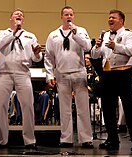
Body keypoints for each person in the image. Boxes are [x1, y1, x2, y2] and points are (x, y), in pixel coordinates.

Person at [91, 9, 132, 151]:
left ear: (121, 21)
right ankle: (112, 140)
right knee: (107, 109)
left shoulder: (129, 34)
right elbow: (95, 55)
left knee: (129, 108)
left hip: (123, 73)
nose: (110, 20)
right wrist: (96, 46)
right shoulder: (105, 35)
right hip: (107, 75)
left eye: (113, 18)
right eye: (109, 18)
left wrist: (116, 46)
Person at [0, 8, 42, 150]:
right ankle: (2, 140)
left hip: (23, 72)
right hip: (4, 73)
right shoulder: (1, 33)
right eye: (16, 15)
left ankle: (29, 140)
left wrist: (37, 54)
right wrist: (14, 32)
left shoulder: (30, 36)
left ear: (23, 20)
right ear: (11, 19)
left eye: (21, 15)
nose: (19, 16)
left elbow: (35, 57)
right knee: (1, 105)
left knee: (27, 105)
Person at [44, 6, 94, 148]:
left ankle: (86, 139)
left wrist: (75, 33)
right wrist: (49, 75)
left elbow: (88, 47)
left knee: (83, 107)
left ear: (74, 16)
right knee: (64, 109)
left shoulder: (81, 31)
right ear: (61, 17)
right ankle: (66, 138)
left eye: (71, 14)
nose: (68, 16)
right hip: (62, 74)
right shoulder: (53, 35)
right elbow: (48, 57)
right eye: (66, 14)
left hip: (79, 72)